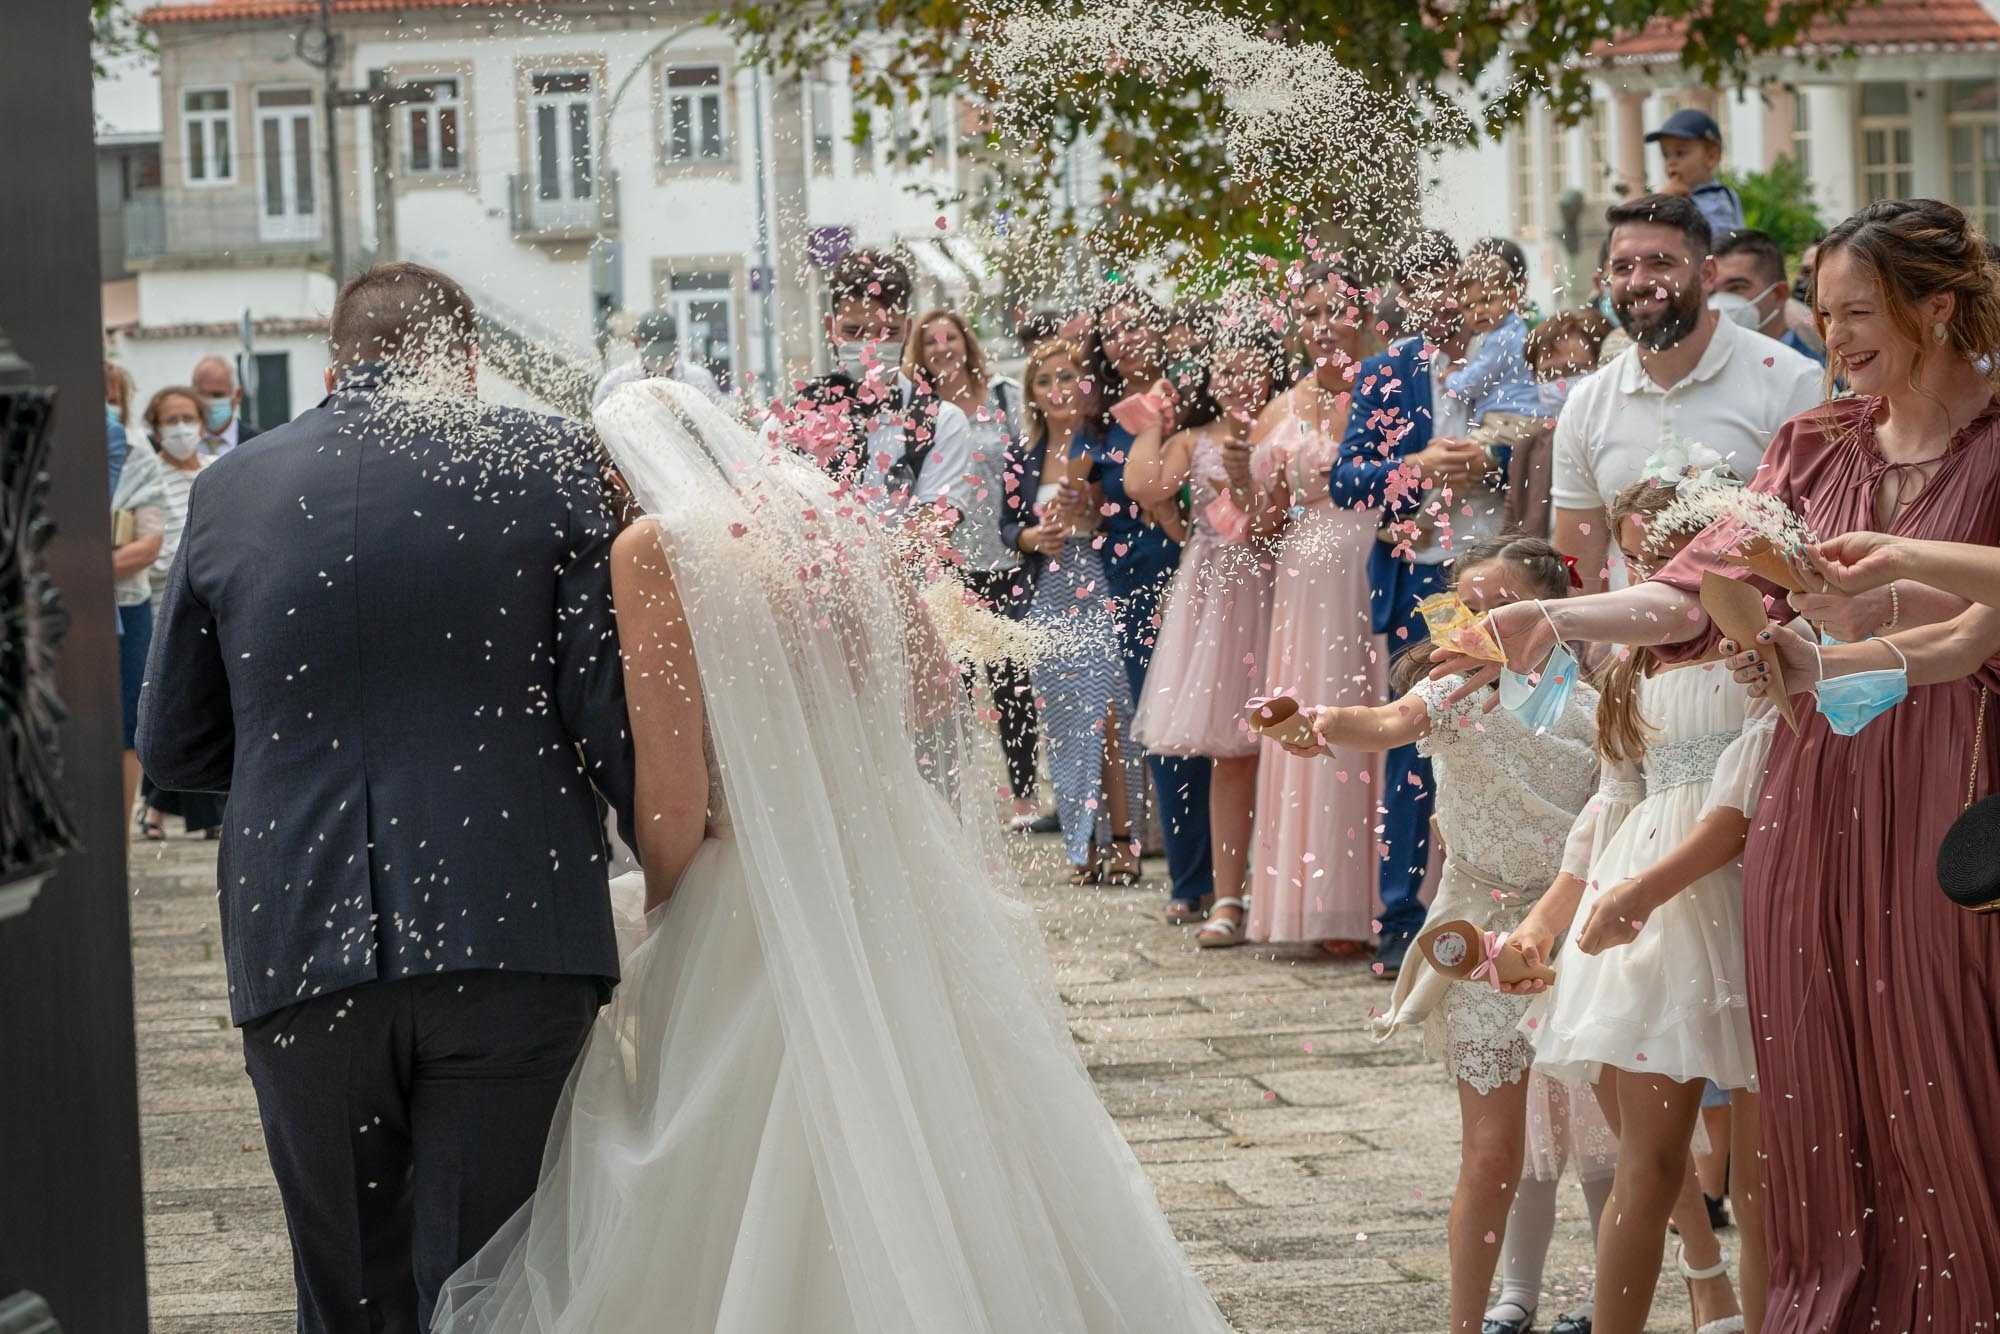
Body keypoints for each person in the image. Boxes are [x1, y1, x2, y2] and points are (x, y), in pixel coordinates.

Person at [429, 375, 1236, 1334]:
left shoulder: (656, 550)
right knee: (938, 1107)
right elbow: (935, 690)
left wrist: (668, 905)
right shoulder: (837, 526)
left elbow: (674, 786)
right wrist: (826, 760)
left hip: (757, 884)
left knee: (750, 1129)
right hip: (892, 858)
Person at [1444, 198, 2000, 1332]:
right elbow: (1690, 593)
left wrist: (1849, 629)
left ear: (1936, 306)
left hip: (1950, 787)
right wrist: (1558, 617)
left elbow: (1955, 631)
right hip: (1808, 788)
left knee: (1945, 1062)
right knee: (1811, 1071)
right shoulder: (1811, 444)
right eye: (1821, 310)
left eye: (1858, 312)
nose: (1832, 337)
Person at [139, 261, 639, 1334]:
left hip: (300, 937)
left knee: (347, 1290)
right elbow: (605, 711)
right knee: (492, 1288)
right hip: (511, 927)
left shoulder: (232, 486)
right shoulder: (548, 461)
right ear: (463, 366)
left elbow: (174, 741)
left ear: (333, 365)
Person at [1287, 536, 1600, 1334]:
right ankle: (1477, 1317)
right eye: (1464, 607)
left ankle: (1610, 1302)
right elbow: (1384, 720)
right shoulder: (1450, 697)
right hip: (1483, 929)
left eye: (1496, 608)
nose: (1473, 625)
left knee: (1600, 1137)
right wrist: (1320, 721)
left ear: (1548, 615)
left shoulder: (1600, 710)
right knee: (1494, 1150)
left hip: (1585, 926)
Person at [1507, 473, 1769, 1334]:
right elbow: (1611, 803)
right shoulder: (1628, 667)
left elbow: (1749, 792)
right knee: (1645, 1165)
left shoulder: (1760, 646)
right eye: (1640, 552)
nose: (1656, 567)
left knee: (1768, 1175)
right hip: (1647, 914)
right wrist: (1547, 921)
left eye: (1672, 547)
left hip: (1748, 890)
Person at [1333, 230, 1491, 977]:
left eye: (1454, 281)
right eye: (1425, 284)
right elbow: (1346, 479)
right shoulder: (1386, 372)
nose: (1444, 298)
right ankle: (1400, 916)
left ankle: (1499, 906)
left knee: (1507, 736)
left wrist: (1500, 452)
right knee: (1413, 742)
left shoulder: (1513, 363)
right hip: (1427, 581)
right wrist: (1417, 465)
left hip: (1506, 572)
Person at [1551, 194, 1821, 592]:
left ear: (1707, 273)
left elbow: (1819, 545)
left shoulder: (1793, 382)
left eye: (1661, 263)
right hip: (1631, 649)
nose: (1640, 282)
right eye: (1623, 267)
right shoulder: (1587, 403)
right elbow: (1580, 568)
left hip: (1761, 648)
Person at [1124, 327, 1286, 935]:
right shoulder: (1194, 439)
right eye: (1225, 370)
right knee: (1229, 747)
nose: (1237, 380)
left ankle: (1279, 889)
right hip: (1215, 596)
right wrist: (1152, 418)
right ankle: (1225, 895)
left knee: (1285, 744)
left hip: (1276, 588)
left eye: (1249, 367)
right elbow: (1142, 486)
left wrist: (1247, 484)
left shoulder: (1280, 431)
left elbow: (1271, 525)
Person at [1242, 265, 1384, 953]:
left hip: (1369, 561)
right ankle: (1320, 900)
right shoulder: (1279, 407)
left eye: (1336, 310)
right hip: (1303, 575)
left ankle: (1382, 898)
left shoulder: (1387, 390)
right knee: (1313, 702)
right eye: (1309, 312)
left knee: (1372, 701)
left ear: (1362, 315)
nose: (1322, 324)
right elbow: (1262, 520)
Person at [1001, 339, 1146, 884]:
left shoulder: (1105, 441)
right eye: (1045, 382)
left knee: (1111, 716)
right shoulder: (1023, 451)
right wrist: (1033, 537)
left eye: (1067, 377)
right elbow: (1007, 526)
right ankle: (1081, 846)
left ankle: (1125, 842)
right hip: (1049, 593)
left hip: (1102, 582)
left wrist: (1096, 510)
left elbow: (1129, 508)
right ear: (1033, 393)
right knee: (1065, 721)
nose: (1057, 390)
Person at [1095, 291, 1213, 910]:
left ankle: (1231, 873)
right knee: (1163, 722)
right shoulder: (1103, 415)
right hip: (1131, 581)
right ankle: (1190, 880)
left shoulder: (1188, 396)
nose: (1124, 340)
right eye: (1110, 332)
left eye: (1133, 325)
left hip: (1199, 567)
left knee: (1219, 717)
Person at [904, 306, 1042, 831]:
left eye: (951, 338)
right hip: (948, 565)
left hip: (1004, 556)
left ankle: (1024, 793)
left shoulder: (1004, 396)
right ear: (921, 353)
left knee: (1011, 680)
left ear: (967, 343)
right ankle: (963, 794)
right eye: (932, 342)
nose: (943, 349)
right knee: (954, 684)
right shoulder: (921, 413)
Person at [762, 249, 973, 528]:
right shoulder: (789, 422)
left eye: (888, 333)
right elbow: (766, 518)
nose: (871, 348)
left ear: (908, 330)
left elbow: (930, 535)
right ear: (831, 329)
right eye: (854, 332)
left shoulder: (942, 422)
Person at [135, 385, 225, 840]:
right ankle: (164, 811)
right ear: (155, 426)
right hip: (163, 606)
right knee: (173, 700)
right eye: (170, 420)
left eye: (187, 418)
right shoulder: (150, 477)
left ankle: (187, 812)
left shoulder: (220, 472)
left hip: (218, 603)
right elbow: (157, 548)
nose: (181, 428)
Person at [1512, 308, 1613, 538]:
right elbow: (1511, 540)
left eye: (1573, 370)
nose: (1559, 383)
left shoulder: (1623, 439)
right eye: (1548, 375)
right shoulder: (1527, 449)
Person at [111, 404, 166, 828]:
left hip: (127, 606)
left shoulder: (133, 453)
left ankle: (121, 836)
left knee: (130, 724)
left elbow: (147, 546)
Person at [1712, 228, 1825, 364]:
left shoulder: (1811, 376)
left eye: (1736, 287)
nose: (1718, 302)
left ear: (1779, 294)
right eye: (1711, 292)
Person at [590, 309, 727, 409]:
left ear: (677, 344)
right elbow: (598, 435)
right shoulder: (614, 383)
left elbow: (719, 426)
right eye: (654, 355)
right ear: (636, 343)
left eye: (666, 354)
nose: (660, 361)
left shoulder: (699, 379)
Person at [1645, 109, 1744, 237]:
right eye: (1666, 155)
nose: (1671, 162)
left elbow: (1741, 236)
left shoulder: (1728, 196)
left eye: (1680, 153)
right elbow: (1648, 232)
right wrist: (1662, 201)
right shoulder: (1672, 200)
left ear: (1711, 156)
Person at [190, 353, 263, 459]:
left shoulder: (259, 443)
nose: (209, 402)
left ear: (237, 395)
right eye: (202, 394)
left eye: (217, 395)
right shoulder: (177, 444)